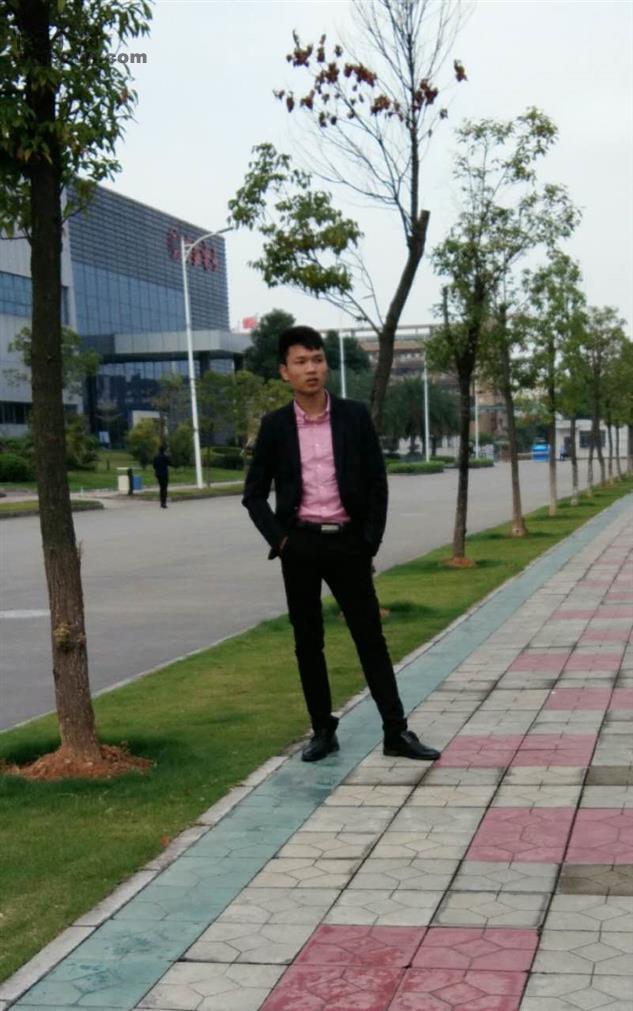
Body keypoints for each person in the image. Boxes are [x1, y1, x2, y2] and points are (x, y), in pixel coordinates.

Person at [243, 326, 441, 763]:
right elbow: (253, 495)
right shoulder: (275, 426)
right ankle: (322, 731)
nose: (311, 369)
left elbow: (376, 483)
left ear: (326, 364)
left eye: (317, 359)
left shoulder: (353, 416)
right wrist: (281, 541)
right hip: (300, 546)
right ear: (285, 372)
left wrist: (369, 542)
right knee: (308, 642)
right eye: (300, 362)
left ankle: (396, 732)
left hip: (349, 543)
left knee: (370, 639)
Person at [153, 444, 170, 509]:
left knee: (161, 488)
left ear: (159, 450)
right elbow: (169, 463)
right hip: (165, 474)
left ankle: (161, 502)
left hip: (158, 474)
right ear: (164, 450)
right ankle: (164, 503)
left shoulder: (156, 457)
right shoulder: (165, 457)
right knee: (164, 488)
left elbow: (154, 466)